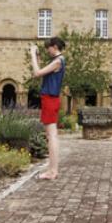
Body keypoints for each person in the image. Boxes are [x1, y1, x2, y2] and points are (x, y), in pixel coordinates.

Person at [29, 36, 65, 180]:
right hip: (50, 99)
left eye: (48, 48)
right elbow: (38, 72)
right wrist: (36, 58)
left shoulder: (58, 61)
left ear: (54, 47)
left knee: (51, 136)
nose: (47, 51)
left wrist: (32, 54)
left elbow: (37, 73)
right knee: (51, 135)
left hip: (50, 99)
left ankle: (52, 171)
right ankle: (52, 170)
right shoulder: (57, 61)